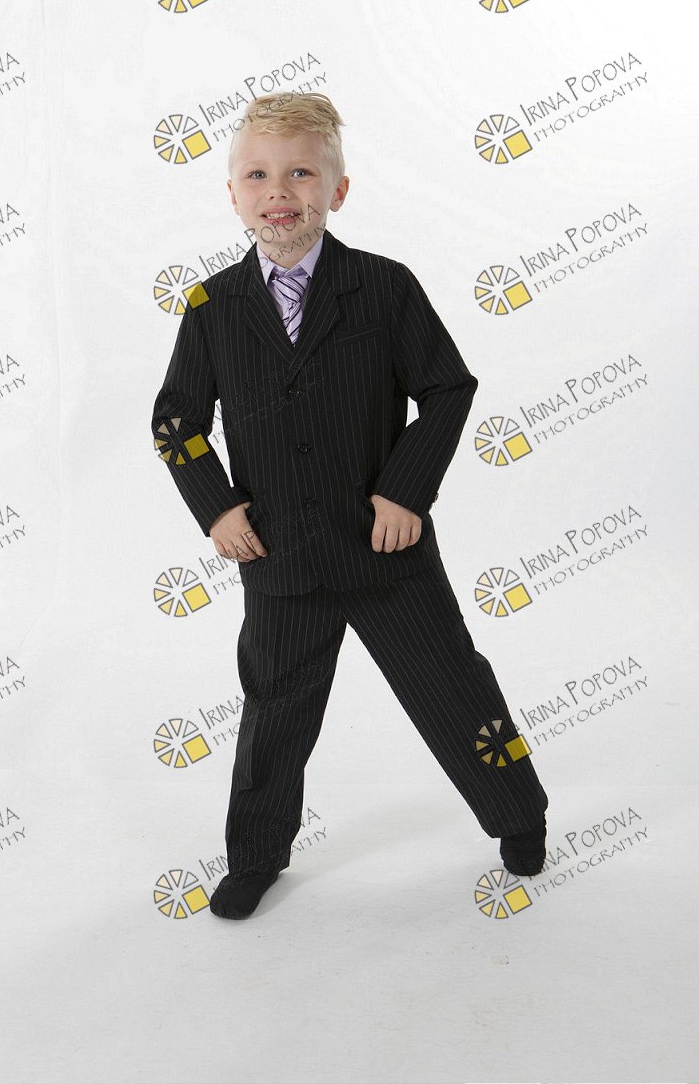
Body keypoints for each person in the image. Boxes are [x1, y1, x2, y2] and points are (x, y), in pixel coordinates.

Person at [150, 92, 549, 920]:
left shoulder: (384, 287)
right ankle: (255, 855)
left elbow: (447, 388)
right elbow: (175, 422)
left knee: (455, 688)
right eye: (257, 175)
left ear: (337, 189)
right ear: (233, 195)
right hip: (278, 557)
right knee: (273, 717)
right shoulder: (211, 307)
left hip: (385, 551)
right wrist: (217, 508)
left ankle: (520, 816)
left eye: (301, 172)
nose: (279, 190)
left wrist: (405, 490)